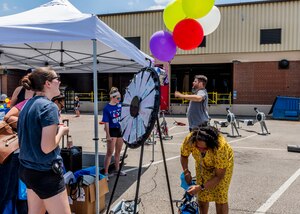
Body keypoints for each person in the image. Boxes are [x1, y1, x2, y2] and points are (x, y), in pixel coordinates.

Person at [17, 67, 71, 214]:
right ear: (47, 83)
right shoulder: (49, 107)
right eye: (56, 79)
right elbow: (47, 147)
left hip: (28, 169)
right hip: (45, 172)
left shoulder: (27, 104)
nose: (59, 82)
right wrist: (61, 131)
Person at [180, 125, 234, 214]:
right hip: (202, 164)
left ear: (211, 145)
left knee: (220, 196)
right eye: (198, 147)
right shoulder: (190, 140)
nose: (201, 150)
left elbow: (219, 176)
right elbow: (184, 155)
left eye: (204, 148)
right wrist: (186, 171)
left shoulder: (220, 147)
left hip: (222, 167)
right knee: (202, 197)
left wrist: (200, 187)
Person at [0, 100, 28, 214]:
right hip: (11, 152)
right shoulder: (28, 102)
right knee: (6, 193)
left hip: (19, 153)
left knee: (12, 193)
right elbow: (8, 117)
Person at [102, 87, 126, 181]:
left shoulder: (120, 105)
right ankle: (106, 173)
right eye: (118, 98)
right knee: (109, 153)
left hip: (120, 130)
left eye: (120, 98)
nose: (119, 100)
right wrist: (108, 135)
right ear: (113, 97)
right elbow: (106, 123)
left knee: (118, 152)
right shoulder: (107, 108)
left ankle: (117, 170)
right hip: (112, 131)